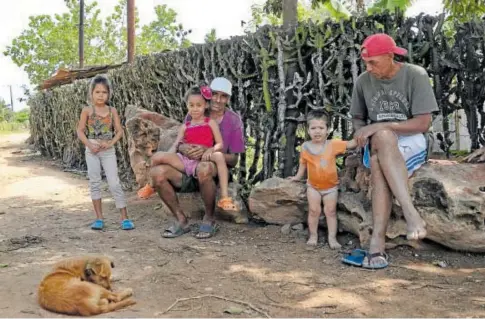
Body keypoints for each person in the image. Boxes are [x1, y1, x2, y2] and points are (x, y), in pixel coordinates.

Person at [346, 33, 438, 269]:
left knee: (379, 159)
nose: (368, 68)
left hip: (411, 139)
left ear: (390, 56)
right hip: (377, 142)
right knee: (382, 140)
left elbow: (422, 124)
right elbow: (357, 119)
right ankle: (411, 215)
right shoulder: (363, 81)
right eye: (365, 63)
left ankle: (377, 242)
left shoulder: (415, 75)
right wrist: (362, 133)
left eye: (373, 62)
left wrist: (380, 125)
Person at [150, 77, 245, 239]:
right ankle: (181, 220)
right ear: (208, 96)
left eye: (224, 96)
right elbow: (181, 140)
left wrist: (208, 153)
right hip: (188, 165)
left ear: (228, 99)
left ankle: (209, 218)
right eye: (215, 94)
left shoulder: (233, 121)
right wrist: (183, 148)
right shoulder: (196, 110)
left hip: (213, 168)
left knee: (204, 167)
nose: (218, 100)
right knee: (157, 173)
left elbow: (234, 160)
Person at [288, 112, 357, 249]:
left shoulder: (332, 144)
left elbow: (350, 144)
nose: (317, 131)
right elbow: (303, 164)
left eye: (321, 128)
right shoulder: (305, 147)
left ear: (328, 130)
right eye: (313, 128)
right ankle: (313, 236)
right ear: (308, 130)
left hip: (331, 188)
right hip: (313, 187)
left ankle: (332, 238)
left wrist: (364, 132)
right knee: (314, 211)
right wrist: (297, 177)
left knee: (330, 211)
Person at [76, 74, 134, 231]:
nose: (101, 95)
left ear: (109, 94)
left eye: (104, 92)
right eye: (97, 92)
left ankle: (124, 217)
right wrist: (90, 145)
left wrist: (110, 143)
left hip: (108, 150)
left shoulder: (112, 110)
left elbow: (119, 131)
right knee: (95, 182)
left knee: (114, 182)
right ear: (91, 93)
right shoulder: (87, 111)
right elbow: (80, 131)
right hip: (92, 150)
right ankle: (99, 218)